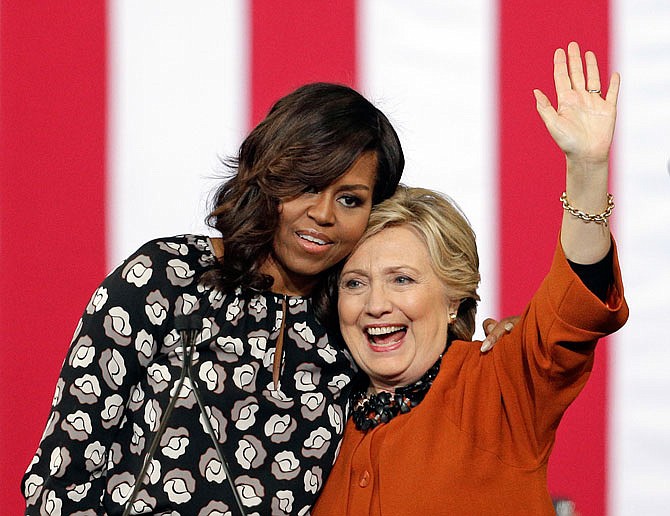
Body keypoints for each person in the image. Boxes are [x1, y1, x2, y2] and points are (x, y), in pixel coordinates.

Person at [21, 82, 512, 515]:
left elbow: (430, 380)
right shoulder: (167, 277)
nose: (323, 214)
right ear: (267, 175)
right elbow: (62, 473)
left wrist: (498, 335)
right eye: (306, 185)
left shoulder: (351, 317)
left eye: (350, 199)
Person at [311, 42, 628, 515]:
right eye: (356, 283)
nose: (376, 304)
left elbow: (572, 305)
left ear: (454, 299)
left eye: (402, 280)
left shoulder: (501, 386)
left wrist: (587, 169)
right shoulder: (313, 421)